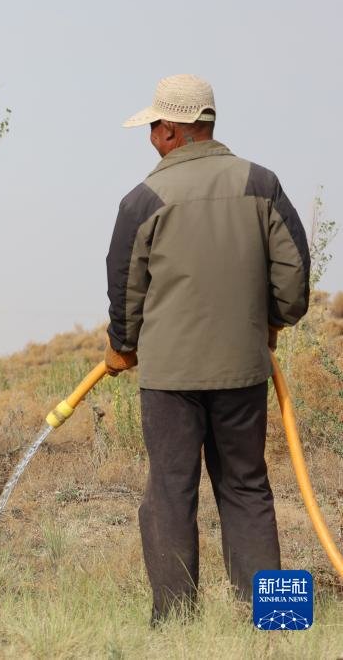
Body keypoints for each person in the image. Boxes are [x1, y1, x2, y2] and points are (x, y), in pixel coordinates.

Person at [105, 74, 310, 623]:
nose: (150, 136)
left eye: (153, 126)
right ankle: (274, 622)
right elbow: (292, 278)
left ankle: (174, 623)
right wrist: (272, 322)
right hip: (243, 369)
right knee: (246, 486)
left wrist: (122, 345)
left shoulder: (143, 199)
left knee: (171, 490)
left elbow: (126, 285)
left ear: (171, 130)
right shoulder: (261, 184)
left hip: (169, 377)